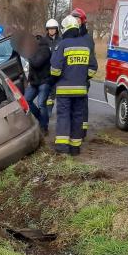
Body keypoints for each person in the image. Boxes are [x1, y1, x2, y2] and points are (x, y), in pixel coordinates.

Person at [50, 15, 97, 155]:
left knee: (64, 116)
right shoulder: (85, 45)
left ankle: (62, 147)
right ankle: (75, 148)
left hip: (64, 90)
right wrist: (83, 77)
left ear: (65, 29)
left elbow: (55, 69)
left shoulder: (63, 44)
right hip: (81, 90)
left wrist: (55, 80)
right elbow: (93, 68)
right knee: (78, 116)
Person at [24, 19, 60, 133]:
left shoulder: (46, 48)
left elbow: (36, 63)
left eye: (53, 28)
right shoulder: (42, 45)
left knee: (42, 103)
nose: (52, 31)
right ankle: (41, 119)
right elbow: (32, 66)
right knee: (27, 100)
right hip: (37, 80)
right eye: (50, 29)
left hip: (47, 78)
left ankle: (44, 126)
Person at [71, 7, 95, 137]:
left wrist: (85, 78)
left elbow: (92, 63)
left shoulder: (87, 38)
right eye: (73, 18)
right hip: (70, 79)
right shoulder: (69, 36)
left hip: (82, 79)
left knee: (82, 106)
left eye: (77, 18)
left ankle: (82, 129)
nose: (75, 21)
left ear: (82, 21)